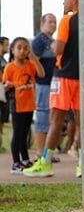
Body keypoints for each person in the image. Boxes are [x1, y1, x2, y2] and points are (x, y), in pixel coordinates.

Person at [24, 0, 82, 178]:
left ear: (74, 0)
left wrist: (55, 43)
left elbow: (58, 50)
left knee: (55, 121)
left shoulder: (67, 20)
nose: (64, 2)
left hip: (63, 76)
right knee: (82, 122)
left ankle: (45, 162)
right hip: (83, 77)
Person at [2, 37, 44, 173]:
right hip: (17, 104)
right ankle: (16, 163)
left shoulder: (30, 65)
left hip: (29, 104)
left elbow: (42, 74)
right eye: (19, 48)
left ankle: (25, 159)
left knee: (25, 133)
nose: (22, 51)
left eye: (26, 48)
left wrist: (33, 57)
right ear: (12, 51)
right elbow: (5, 85)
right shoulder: (10, 67)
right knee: (17, 132)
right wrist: (8, 85)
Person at [31, 13, 57, 158]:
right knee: (42, 115)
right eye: (50, 22)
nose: (53, 25)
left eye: (54, 22)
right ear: (42, 24)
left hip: (52, 84)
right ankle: (40, 152)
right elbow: (33, 63)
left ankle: (47, 152)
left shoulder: (51, 40)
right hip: (42, 84)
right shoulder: (39, 41)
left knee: (49, 118)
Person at [0, 37, 9, 152]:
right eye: (6, 44)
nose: (8, 47)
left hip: (3, 90)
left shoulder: (3, 60)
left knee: (2, 117)